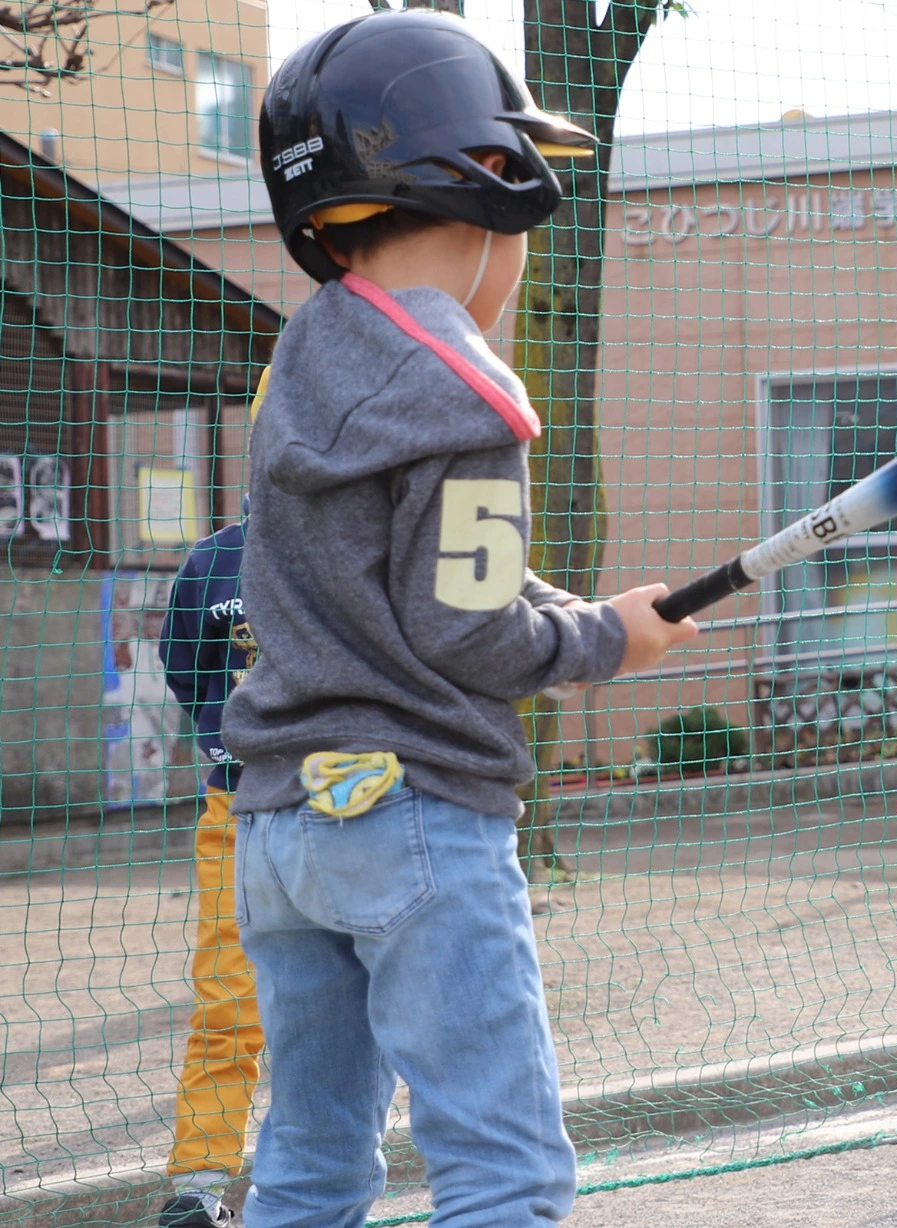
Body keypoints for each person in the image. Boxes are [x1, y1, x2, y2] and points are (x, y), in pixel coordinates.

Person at [223, 12, 698, 1227]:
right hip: (416, 816)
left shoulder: (306, 358)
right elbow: (469, 634)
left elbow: (412, 584)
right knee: (503, 1172)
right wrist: (609, 644)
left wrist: (590, 613)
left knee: (311, 1166)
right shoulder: (468, 389)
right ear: (491, 182)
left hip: (279, 827)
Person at [155, 514, 259, 1228]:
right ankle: (199, 1185)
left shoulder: (371, 530)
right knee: (226, 999)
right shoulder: (215, 560)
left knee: (367, 1000)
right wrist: (232, 737)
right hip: (238, 805)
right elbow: (187, 672)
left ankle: (326, 1175)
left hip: (353, 806)